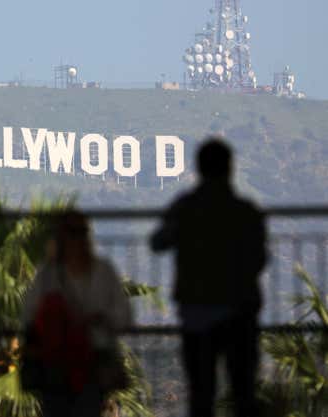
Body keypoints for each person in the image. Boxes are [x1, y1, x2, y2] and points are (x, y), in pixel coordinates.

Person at [150, 138, 267, 417]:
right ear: (229, 168)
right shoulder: (245, 210)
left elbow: (158, 242)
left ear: (199, 168)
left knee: (201, 395)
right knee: (244, 393)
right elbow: (259, 259)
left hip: (197, 312)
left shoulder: (186, 207)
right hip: (240, 311)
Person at [22, 210, 133, 417]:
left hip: (78, 364)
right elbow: (124, 317)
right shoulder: (53, 274)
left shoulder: (50, 274)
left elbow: (29, 316)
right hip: (66, 363)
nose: (76, 239)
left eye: (79, 232)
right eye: (72, 232)